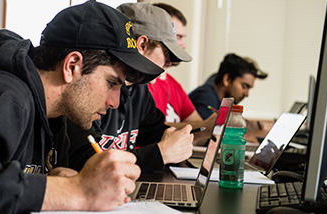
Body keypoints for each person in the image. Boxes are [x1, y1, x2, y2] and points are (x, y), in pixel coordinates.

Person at [0, 1, 166, 213]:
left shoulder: (55, 115)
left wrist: (50, 181)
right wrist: (77, 191)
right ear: (72, 66)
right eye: (111, 83)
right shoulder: (6, 94)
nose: (115, 102)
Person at [68, 2, 216, 173]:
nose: (170, 63)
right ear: (142, 45)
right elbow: (82, 161)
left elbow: (156, 132)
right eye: (167, 54)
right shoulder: (88, 87)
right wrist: (160, 154)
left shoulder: (139, 90)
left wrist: (202, 129)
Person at [147, 3, 204, 123]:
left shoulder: (174, 85)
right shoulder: (142, 84)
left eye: (183, 37)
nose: (183, 45)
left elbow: (196, 123)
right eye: (178, 37)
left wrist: (207, 126)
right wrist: (205, 126)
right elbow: (150, 132)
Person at [189, 53, 268, 120]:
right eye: (244, 86)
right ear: (227, 79)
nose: (246, 94)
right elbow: (205, 135)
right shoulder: (206, 99)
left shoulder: (219, 101)